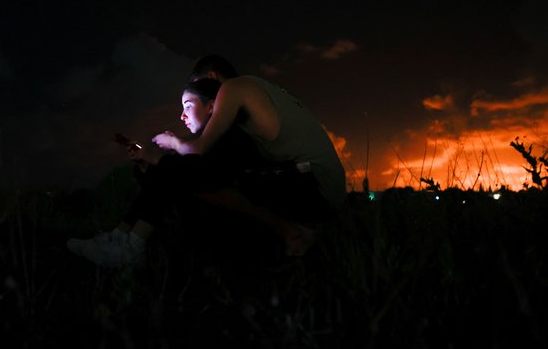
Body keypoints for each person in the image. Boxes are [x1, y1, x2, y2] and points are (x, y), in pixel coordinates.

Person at [153, 55, 347, 256]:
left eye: (200, 88)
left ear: (212, 76)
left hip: (316, 190)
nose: (202, 96)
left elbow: (200, 148)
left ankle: (291, 235)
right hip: (327, 188)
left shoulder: (234, 88)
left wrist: (173, 142)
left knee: (194, 177)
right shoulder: (257, 90)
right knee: (203, 174)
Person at [67, 77, 261, 268]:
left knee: (172, 169)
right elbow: (166, 180)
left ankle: (132, 247)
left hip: (234, 221)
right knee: (169, 169)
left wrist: (162, 153)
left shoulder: (234, 137)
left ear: (211, 107)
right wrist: (145, 163)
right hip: (209, 213)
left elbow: (205, 175)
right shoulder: (205, 142)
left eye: (188, 106)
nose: (182, 116)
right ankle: (120, 239)